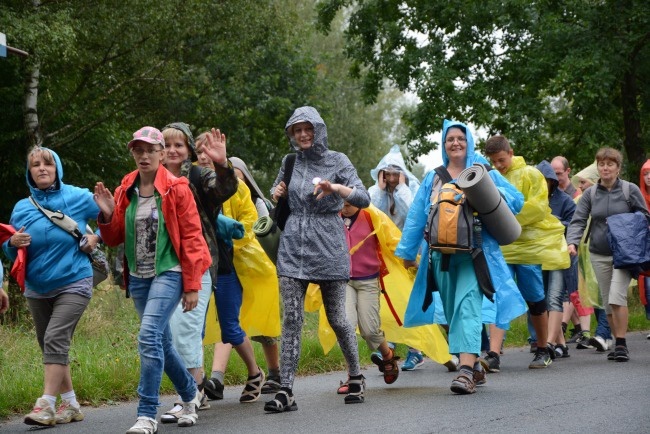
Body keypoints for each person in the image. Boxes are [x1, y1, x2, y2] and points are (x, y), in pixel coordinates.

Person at [94, 126, 212, 434]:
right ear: (133, 153)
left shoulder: (177, 188)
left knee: (147, 336)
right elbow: (116, 235)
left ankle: (146, 414)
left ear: (161, 154)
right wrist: (107, 215)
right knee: (160, 341)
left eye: (150, 150)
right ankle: (190, 394)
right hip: (140, 275)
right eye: (138, 150)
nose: (144, 155)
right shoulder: (125, 189)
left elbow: (192, 238)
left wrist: (192, 284)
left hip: (169, 271)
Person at [396, 120, 526, 394]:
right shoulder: (434, 177)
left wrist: (487, 189)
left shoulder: (482, 170)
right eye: (450, 139)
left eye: (460, 138)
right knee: (453, 311)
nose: (455, 143)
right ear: (444, 145)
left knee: (468, 306)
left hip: (474, 255)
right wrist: (408, 253)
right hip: (440, 256)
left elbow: (516, 200)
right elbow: (417, 217)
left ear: (469, 142)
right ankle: (475, 365)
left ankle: (465, 372)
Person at [264, 106, 370, 412]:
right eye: (296, 130)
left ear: (318, 129)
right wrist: (277, 192)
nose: (302, 135)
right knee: (292, 319)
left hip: (329, 245)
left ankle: (356, 376)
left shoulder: (338, 160)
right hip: (293, 245)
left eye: (307, 128)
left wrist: (335, 187)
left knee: (337, 318)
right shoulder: (290, 161)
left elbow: (363, 197)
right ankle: (286, 390)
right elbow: (277, 188)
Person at [2, 147, 100, 426]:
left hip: (74, 280)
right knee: (49, 345)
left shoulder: (77, 197)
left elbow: (113, 214)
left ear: (57, 168)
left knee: (55, 339)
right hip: (37, 287)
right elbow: (11, 250)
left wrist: (98, 237)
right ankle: (70, 404)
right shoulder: (22, 208)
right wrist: (11, 244)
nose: (42, 168)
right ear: (29, 172)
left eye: (48, 163)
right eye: (35, 164)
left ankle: (45, 404)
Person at [158, 122, 239, 419]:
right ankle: (196, 392)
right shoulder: (151, 178)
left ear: (190, 150)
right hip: (162, 264)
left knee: (187, 329)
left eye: (179, 145)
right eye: (166, 145)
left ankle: (188, 397)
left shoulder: (198, 175)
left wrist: (221, 164)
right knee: (169, 332)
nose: (172, 150)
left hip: (197, 263)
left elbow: (223, 189)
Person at [194, 145, 278, 402]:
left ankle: (260, 373)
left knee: (233, 328)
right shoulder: (188, 185)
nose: (205, 157)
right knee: (192, 329)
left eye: (209, 152)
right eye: (199, 152)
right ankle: (196, 391)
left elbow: (250, 228)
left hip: (237, 265)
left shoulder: (239, 189)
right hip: (199, 267)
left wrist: (225, 230)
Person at [484, 135, 570, 370]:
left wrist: (504, 219)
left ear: (510, 153)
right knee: (498, 295)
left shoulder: (531, 174)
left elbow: (539, 208)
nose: (499, 165)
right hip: (502, 246)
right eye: (494, 161)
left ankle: (543, 348)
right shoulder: (491, 177)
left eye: (501, 160)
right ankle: (493, 353)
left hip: (528, 246)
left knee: (534, 297)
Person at [566, 147, 648, 362]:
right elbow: (578, 220)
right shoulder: (590, 194)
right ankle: (615, 339)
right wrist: (572, 242)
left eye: (610, 164)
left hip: (624, 255)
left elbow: (644, 217)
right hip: (598, 252)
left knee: (616, 296)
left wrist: (628, 227)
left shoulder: (630, 190)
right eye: (601, 164)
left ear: (618, 168)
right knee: (606, 301)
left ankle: (620, 343)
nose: (605, 168)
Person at [367, 146, 428, 371]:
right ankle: (390, 343)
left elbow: (415, 214)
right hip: (387, 255)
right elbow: (370, 212)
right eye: (387, 174)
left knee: (409, 300)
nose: (391, 179)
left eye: (395, 174)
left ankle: (416, 351)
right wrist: (379, 188)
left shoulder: (412, 189)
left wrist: (402, 187)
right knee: (389, 299)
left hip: (410, 253)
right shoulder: (377, 191)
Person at [532, 160, 576, 358]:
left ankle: (549, 342)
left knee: (554, 297)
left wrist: (556, 222)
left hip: (559, 255)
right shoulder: (532, 199)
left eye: (546, 180)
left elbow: (574, 223)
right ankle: (561, 344)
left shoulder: (565, 200)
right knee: (541, 298)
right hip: (538, 256)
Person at [569, 164, 612, 353]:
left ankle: (604, 333)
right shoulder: (582, 200)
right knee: (596, 294)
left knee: (605, 292)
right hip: (586, 253)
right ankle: (606, 334)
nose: (580, 185)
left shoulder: (608, 200)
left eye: (584, 182)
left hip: (605, 252)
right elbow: (577, 224)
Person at [639, 160, 650, 336]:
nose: (649, 177)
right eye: (645, 174)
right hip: (645, 248)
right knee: (648, 288)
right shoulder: (638, 196)